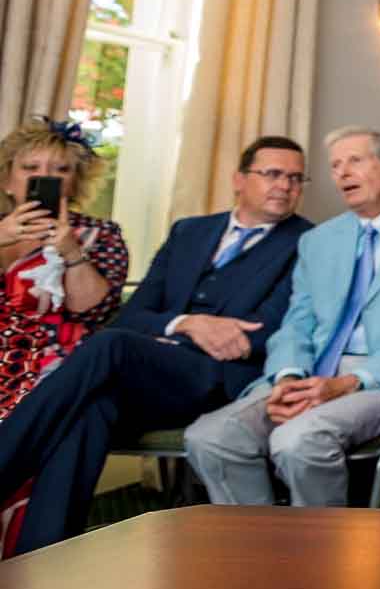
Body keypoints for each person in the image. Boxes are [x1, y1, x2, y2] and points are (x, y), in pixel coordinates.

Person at [0, 137, 312, 554]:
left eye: (294, 178)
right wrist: (188, 322)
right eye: (272, 173)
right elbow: (135, 315)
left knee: (110, 346)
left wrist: (188, 332)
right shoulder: (191, 231)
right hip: (148, 373)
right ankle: (39, 558)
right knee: (91, 409)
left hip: (216, 377)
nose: (284, 186)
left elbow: (267, 330)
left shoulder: (309, 242)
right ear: (240, 180)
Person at [183, 127, 380, 507]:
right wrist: (288, 376)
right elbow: (298, 323)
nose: (343, 173)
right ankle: (258, 549)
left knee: (298, 440)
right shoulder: (318, 241)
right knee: (210, 437)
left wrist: (350, 382)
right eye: (335, 166)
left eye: (355, 161)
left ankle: (323, 555)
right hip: (312, 372)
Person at [0, 117, 130, 427]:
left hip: (52, 361)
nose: (44, 177)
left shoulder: (100, 234)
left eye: (61, 170)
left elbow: (95, 312)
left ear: (75, 183)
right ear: (7, 180)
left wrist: (71, 251)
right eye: (30, 168)